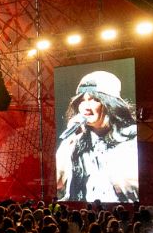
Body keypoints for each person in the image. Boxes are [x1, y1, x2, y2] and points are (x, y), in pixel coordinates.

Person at [54, 70, 139, 202]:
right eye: (82, 100)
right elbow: (56, 182)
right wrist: (69, 141)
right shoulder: (75, 141)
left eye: (94, 100)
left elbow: (134, 188)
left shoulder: (131, 138)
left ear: (110, 104)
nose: (86, 107)